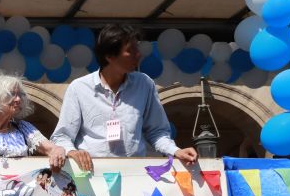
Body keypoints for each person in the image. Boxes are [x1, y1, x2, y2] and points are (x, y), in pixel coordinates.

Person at [51, 24, 198, 172]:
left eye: (137, 48)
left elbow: (157, 131)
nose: (138, 54)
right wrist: (73, 152)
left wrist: (175, 151)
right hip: (92, 177)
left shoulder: (145, 84)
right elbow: (62, 136)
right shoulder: (79, 88)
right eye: (131, 50)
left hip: (135, 175)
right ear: (110, 56)